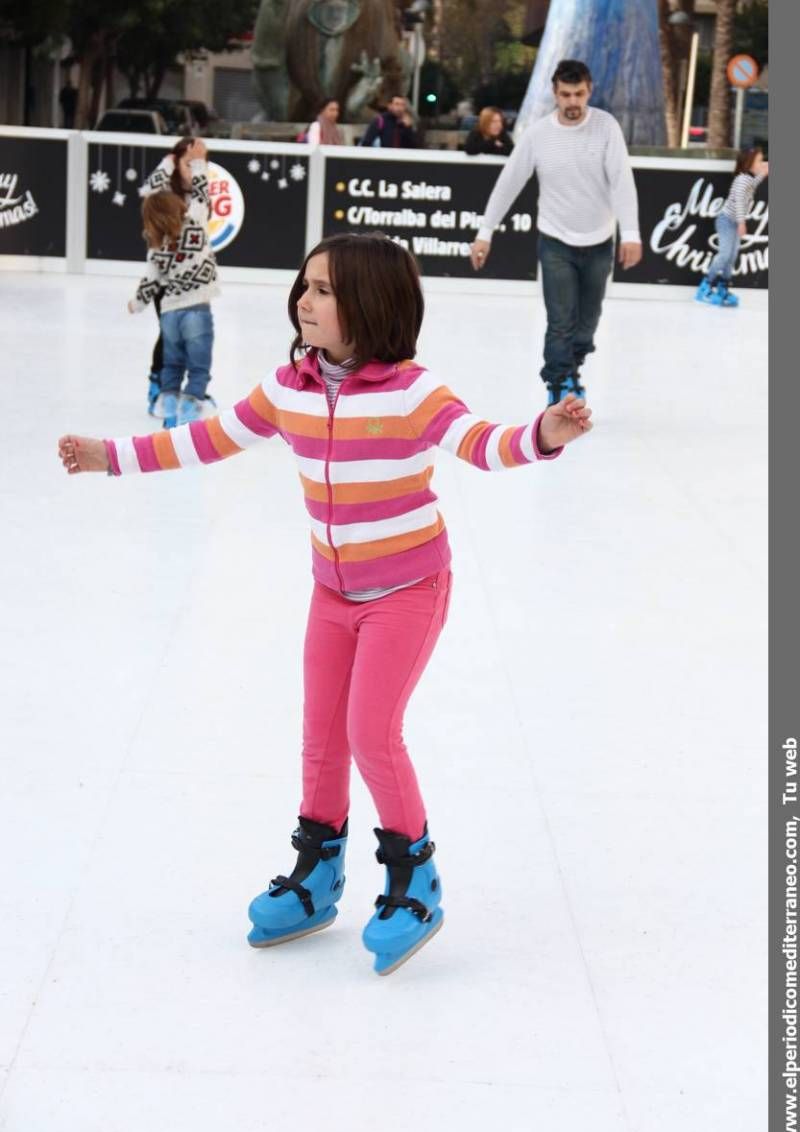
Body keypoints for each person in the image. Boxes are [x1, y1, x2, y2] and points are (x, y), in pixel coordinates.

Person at [57, 231, 592, 976]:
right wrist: (107, 456)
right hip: (333, 590)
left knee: (372, 731)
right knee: (319, 733)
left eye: (324, 290)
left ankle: (415, 880)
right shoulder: (289, 388)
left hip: (407, 588)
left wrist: (544, 433)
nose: (304, 300)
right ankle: (318, 873)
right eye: (304, 285)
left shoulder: (413, 391)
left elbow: (479, 442)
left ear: (370, 304)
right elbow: (207, 439)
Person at [469, 59, 642, 406]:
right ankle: (558, 382)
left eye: (579, 94)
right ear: (555, 93)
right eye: (566, 94)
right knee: (561, 319)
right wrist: (485, 231)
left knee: (587, 322)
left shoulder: (606, 127)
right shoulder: (538, 134)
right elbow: (510, 182)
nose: (573, 102)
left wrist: (632, 233)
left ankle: (572, 367)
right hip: (555, 241)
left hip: (598, 241)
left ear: (589, 90)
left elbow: (623, 180)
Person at [129, 144, 219, 428]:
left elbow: (150, 279)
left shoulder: (156, 244)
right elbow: (203, 195)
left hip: (170, 309)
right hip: (196, 307)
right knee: (198, 365)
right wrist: (199, 165)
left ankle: (168, 405)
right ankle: (190, 409)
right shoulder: (195, 222)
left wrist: (136, 303)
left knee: (173, 362)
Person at [695, 146, 768, 308]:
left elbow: (752, 185)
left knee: (731, 256)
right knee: (724, 254)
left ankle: (722, 287)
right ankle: (705, 286)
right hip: (727, 221)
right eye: (759, 161)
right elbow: (740, 202)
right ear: (749, 163)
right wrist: (742, 223)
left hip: (733, 222)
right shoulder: (742, 180)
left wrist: (762, 173)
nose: (762, 163)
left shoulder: (747, 179)